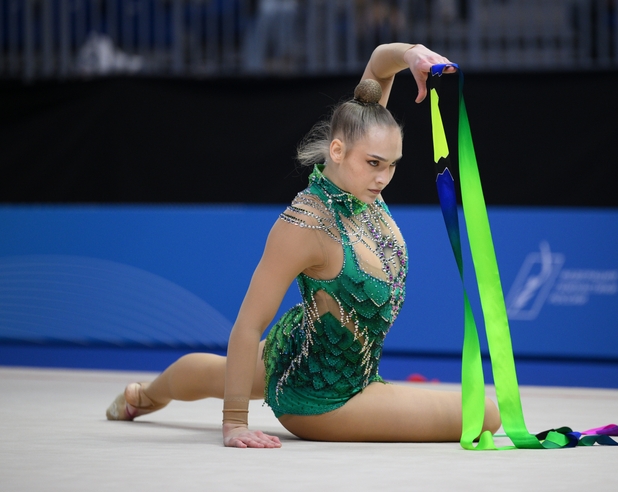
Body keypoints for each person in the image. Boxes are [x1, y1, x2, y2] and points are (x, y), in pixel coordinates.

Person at [106, 43, 501, 448]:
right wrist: (235, 423)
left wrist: (414, 55)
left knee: (215, 373)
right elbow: (248, 325)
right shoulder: (304, 225)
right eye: (375, 163)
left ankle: (141, 396)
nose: (384, 177)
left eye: (393, 165)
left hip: (308, 346)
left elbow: (379, 68)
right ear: (337, 150)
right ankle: (154, 395)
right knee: (485, 414)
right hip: (322, 401)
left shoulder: (361, 181)